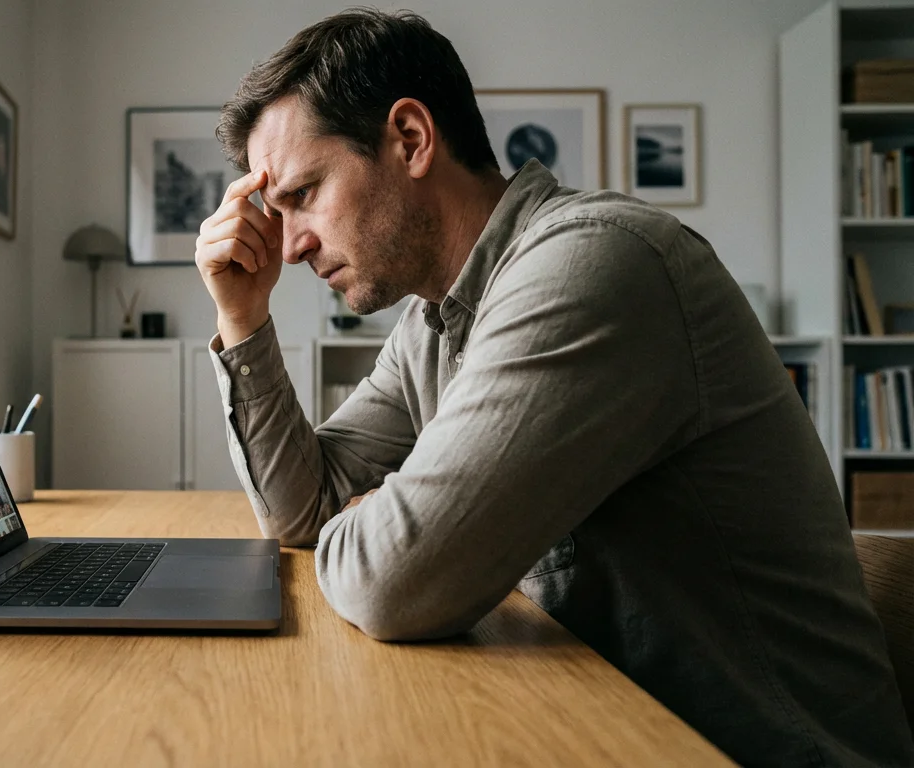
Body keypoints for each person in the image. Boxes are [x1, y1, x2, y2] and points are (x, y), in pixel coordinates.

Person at [193, 9, 911, 766]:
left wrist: (388, 525)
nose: (293, 243)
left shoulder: (593, 267)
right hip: (599, 729)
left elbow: (395, 585)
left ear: (410, 139)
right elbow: (304, 508)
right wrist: (242, 317)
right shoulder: (432, 323)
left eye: (303, 194)